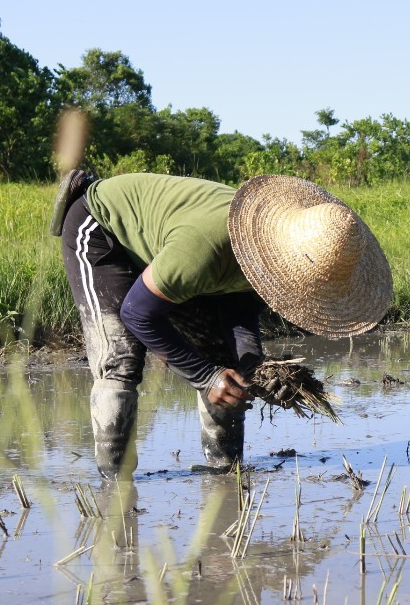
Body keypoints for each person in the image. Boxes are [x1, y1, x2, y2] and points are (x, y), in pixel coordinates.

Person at [52, 169, 392, 478]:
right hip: (102, 230)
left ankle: (225, 469)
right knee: (120, 358)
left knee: (225, 363)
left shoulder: (268, 257)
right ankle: (115, 480)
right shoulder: (203, 250)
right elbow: (137, 313)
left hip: (174, 252)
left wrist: (256, 369)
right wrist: (205, 376)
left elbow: (239, 313)